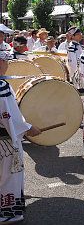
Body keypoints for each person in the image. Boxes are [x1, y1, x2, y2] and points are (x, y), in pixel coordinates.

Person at [0, 51, 41, 223]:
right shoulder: (1, 87)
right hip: (5, 140)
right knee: (9, 175)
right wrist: (28, 128)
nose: (8, 64)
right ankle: (8, 213)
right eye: (5, 60)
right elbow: (9, 116)